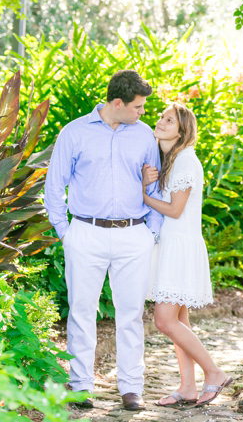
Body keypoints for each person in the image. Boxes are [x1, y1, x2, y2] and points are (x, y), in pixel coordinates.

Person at [44, 70, 163, 411]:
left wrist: (150, 233)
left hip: (133, 235)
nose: (143, 113)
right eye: (138, 107)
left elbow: (153, 187)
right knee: (82, 312)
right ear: (117, 103)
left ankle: (131, 388)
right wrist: (67, 233)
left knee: (131, 314)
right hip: (85, 233)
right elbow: (55, 187)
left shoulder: (143, 137)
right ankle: (81, 385)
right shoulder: (75, 133)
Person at [142, 103, 233, 407]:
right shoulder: (173, 160)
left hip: (180, 247)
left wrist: (142, 194)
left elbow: (175, 210)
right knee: (180, 320)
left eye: (170, 120)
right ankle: (188, 387)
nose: (161, 121)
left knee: (164, 320)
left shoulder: (185, 161)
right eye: (162, 117)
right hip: (172, 245)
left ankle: (214, 372)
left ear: (182, 132)